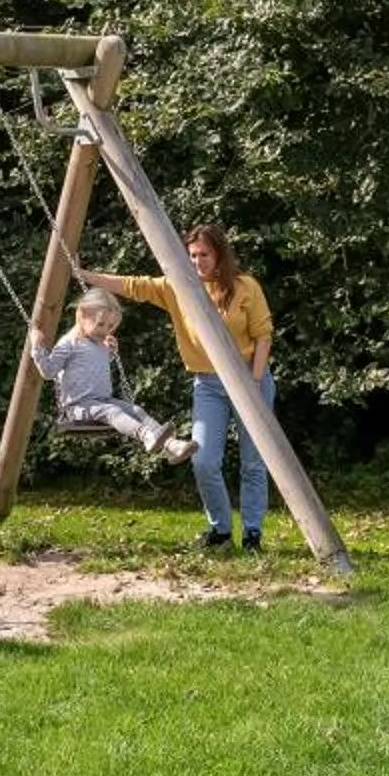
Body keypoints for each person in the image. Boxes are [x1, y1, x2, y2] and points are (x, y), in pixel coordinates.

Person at [81, 223, 276, 550]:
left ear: (220, 255)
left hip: (248, 377)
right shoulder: (178, 287)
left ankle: (253, 534)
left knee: (253, 461)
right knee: (203, 460)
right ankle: (221, 532)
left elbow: (263, 336)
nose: (199, 261)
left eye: (205, 255)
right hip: (208, 383)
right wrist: (85, 275)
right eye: (193, 255)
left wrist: (254, 384)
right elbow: (133, 286)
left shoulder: (245, 286)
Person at [29, 288, 198, 461]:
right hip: (78, 407)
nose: (105, 330)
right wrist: (36, 347)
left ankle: (172, 445)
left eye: (110, 326)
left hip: (103, 401)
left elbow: (91, 369)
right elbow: (48, 372)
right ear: (82, 315)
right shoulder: (68, 343)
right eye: (100, 324)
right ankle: (147, 437)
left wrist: (110, 353)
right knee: (112, 411)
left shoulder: (100, 343)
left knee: (136, 410)